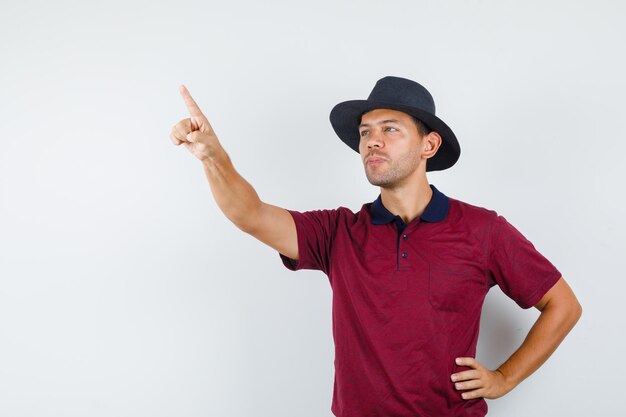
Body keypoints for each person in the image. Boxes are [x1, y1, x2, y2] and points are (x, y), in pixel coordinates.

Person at [169, 76, 582, 417]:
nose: (372, 141)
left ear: (428, 145)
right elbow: (251, 214)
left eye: (390, 129)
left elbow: (563, 305)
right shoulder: (337, 232)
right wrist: (213, 158)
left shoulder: (482, 230)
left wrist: (504, 379)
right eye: (366, 132)